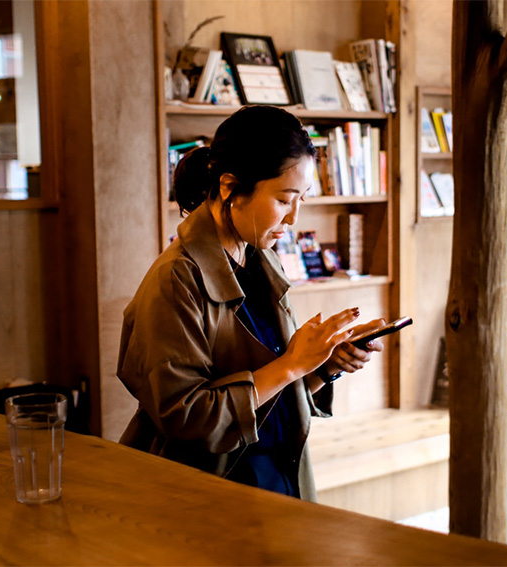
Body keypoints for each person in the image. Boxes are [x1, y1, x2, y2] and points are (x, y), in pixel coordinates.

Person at [116, 105, 385, 501]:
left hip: (277, 473)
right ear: (229, 187)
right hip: (208, 493)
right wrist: (292, 363)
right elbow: (185, 417)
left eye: (303, 199)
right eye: (284, 199)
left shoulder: (259, 256)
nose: (293, 218)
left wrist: (321, 366)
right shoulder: (176, 278)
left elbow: (269, 389)